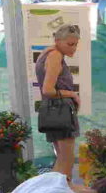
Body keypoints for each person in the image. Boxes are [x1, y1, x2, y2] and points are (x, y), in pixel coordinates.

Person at [35, 24, 82, 178]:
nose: (74, 48)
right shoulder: (55, 55)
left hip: (54, 109)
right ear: (57, 40)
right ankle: (64, 191)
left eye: (75, 44)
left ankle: (55, 191)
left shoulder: (47, 53)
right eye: (70, 44)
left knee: (61, 158)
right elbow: (48, 90)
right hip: (60, 109)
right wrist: (72, 94)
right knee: (67, 159)